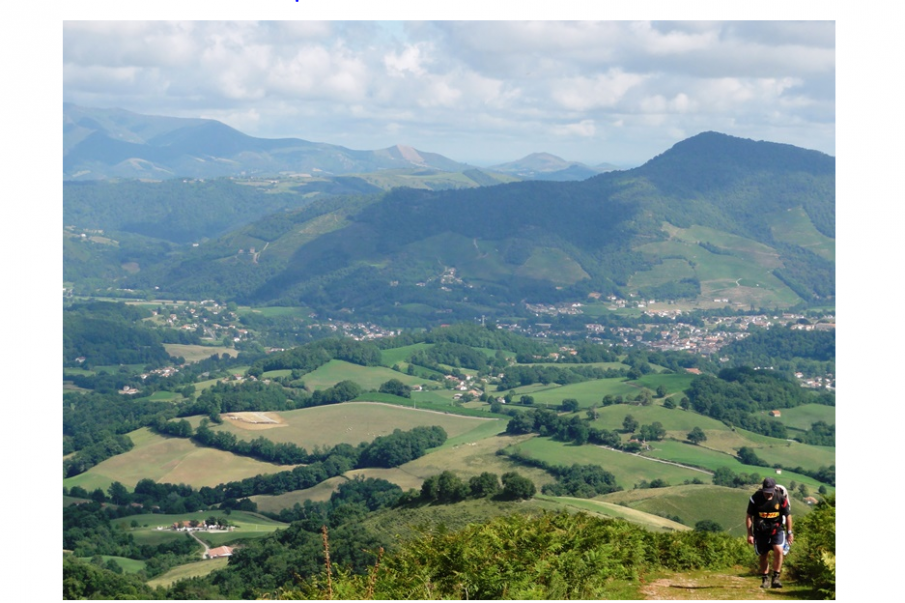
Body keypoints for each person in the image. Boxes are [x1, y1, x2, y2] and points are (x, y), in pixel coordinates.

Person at [746, 477, 793, 588]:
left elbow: (788, 516)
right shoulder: (755, 498)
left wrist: (790, 532)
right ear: (763, 490)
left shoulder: (780, 498)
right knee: (763, 555)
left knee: (779, 550)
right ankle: (765, 579)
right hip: (760, 531)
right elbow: (749, 516)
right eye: (766, 493)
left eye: (770, 492)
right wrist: (749, 534)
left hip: (777, 529)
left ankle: (776, 577)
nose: (768, 495)